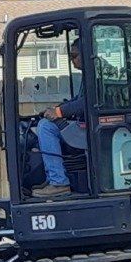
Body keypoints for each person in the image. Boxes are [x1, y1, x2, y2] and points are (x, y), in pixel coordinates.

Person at [34, 42, 86, 197]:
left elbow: (86, 103)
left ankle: (59, 182)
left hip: (90, 129)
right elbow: (78, 100)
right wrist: (57, 108)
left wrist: (58, 112)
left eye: (74, 56)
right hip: (85, 125)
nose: (72, 60)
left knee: (46, 127)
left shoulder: (97, 74)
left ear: (86, 52)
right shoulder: (91, 74)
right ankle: (52, 178)